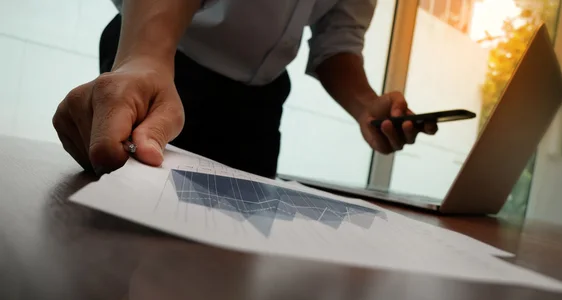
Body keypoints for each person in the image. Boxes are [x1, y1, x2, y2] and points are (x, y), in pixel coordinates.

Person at [52, 0, 437, 178]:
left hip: (259, 104)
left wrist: (367, 106)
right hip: (168, 61)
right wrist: (145, 58)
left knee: (232, 263)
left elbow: (339, 41)